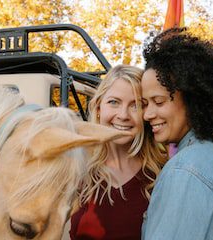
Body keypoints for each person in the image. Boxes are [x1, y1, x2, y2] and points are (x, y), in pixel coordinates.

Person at [141, 28, 213, 240]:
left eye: (158, 102)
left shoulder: (186, 170)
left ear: (192, 99)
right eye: (144, 103)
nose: (147, 114)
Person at [69, 64, 166, 240]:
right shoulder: (76, 170)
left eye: (135, 105)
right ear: (98, 108)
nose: (123, 115)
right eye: (114, 102)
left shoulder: (162, 175)